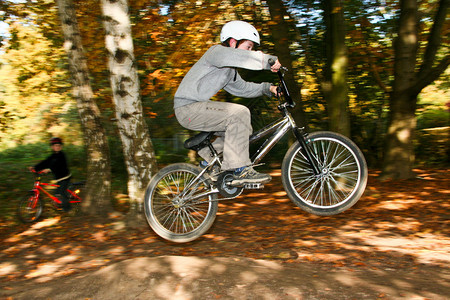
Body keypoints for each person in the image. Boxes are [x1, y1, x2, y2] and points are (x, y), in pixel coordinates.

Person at [174, 20, 281, 186]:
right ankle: (240, 169)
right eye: (248, 46)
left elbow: (243, 88)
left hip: (196, 109)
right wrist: (269, 60)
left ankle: (211, 163)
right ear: (233, 42)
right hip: (187, 108)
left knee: (243, 129)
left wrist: (268, 88)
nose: (249, 51)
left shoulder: (228, 71)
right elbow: (240, 57)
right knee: (239, 114)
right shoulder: (216, 53)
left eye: (251, 49)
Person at [30, 137, 72, 212]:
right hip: (59, 178)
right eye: (56, 146)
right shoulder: (53, 156)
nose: (57, 147)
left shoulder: (62, 155)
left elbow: (58, 165)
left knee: (62, 192)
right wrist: (35, 168)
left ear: (61, 147)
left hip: (65, 177)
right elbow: (45, 162)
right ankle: (59, 204)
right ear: (52, 147)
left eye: (59, 145)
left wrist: (49, 169)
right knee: (56, 193)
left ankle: (67, 209)